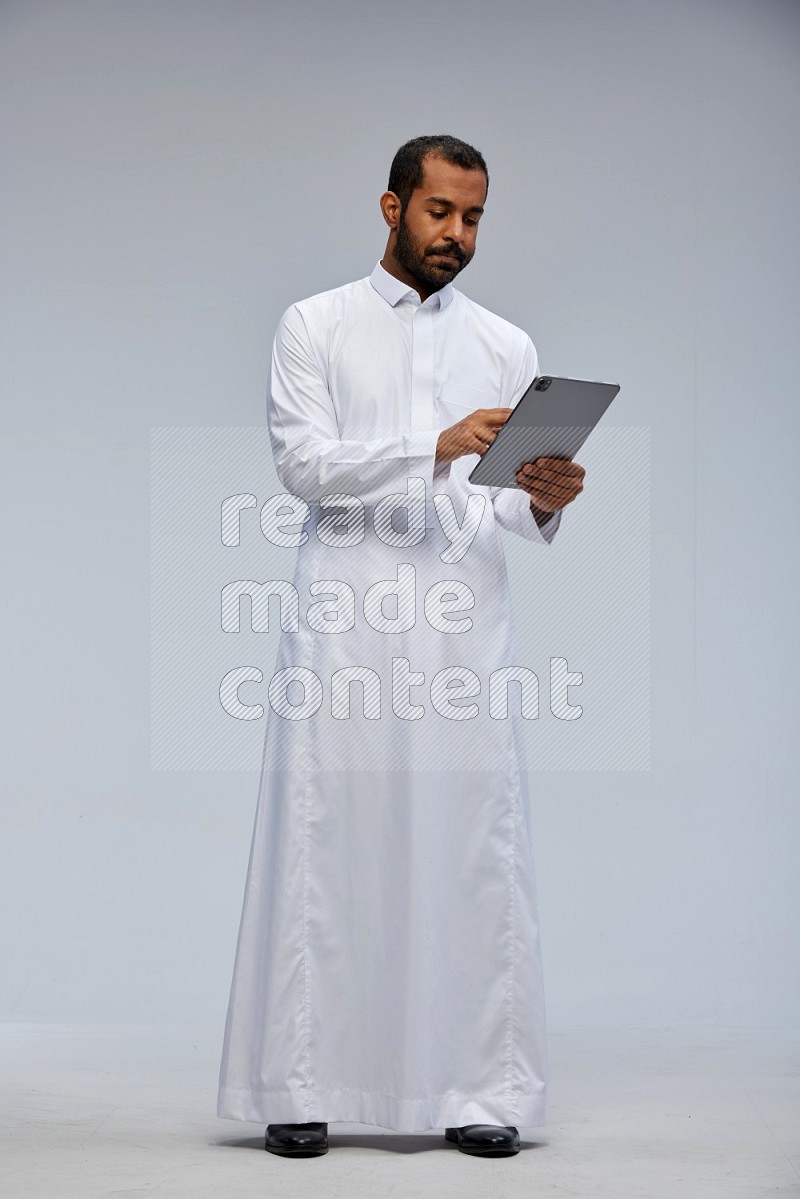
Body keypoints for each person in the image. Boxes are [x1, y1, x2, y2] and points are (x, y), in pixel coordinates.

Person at [217, 134, 585, 1159]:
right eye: (437, 213)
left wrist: (543, 496)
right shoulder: (316, 324)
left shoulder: (505, 345)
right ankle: (302, 1080)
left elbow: (503, 505)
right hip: (347, 614)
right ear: (390, 208)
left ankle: (477, 1087)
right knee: (328, 835)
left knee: (472, 842)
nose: (455, 236)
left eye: (471, 218)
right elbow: (304, 466)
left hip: (464, 623)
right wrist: (432, 442)